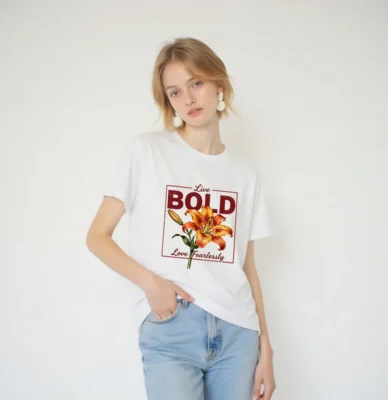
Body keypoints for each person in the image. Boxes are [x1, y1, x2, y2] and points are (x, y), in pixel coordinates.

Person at [86, 37, 276, 400]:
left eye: (196, 83)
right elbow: (97, 236)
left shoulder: (245, 175)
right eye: (175, 92)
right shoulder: (148, 150)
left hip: (238, 333)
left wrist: (265, 345)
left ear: (219, 85)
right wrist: (151, 284)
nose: (188, 99)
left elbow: (248, 268)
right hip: (171, 326)